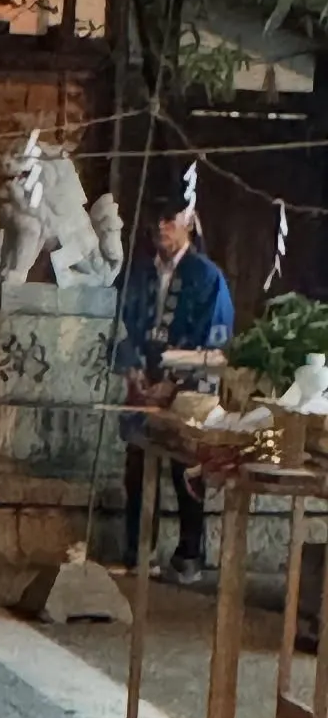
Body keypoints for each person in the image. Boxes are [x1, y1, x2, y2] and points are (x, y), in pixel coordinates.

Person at [118, 192, 234, 583]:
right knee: (136, 466)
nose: (161, 228)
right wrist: (131, 369)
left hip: (189, 389)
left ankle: (189, 552)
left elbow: (215, 339)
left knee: (186, 469)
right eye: (158, 221)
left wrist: (174, 384)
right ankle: (138, 549)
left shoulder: (207, 277)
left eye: (171, 220)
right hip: (142, 381)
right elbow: (120, 324)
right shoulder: (138, 274)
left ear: (189, 223)